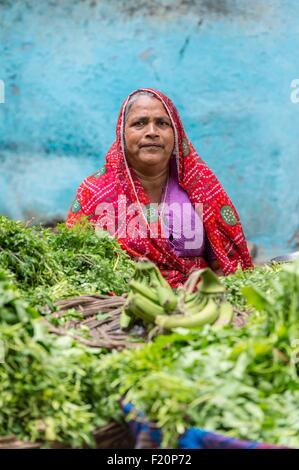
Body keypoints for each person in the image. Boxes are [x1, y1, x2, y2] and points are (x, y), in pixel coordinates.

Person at [66, 88, 253, 287]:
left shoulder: (201, 187)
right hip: (120, 306)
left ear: (176, 133)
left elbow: (226, 265)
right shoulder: (94, 192)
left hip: (197, 305)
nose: (152, 132)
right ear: (122, 133)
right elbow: (74, 265)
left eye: (162, 124)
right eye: (140, 123)